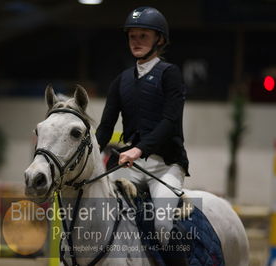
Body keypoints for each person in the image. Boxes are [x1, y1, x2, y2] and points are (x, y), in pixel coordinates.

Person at [95, 6, 189, 265]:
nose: (136, 42)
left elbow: (170, 122)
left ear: (159, 39)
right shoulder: (121, 80)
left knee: (162, 226)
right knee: (100, 215)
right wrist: (89, 152)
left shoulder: (170, 74)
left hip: (165, 166)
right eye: (132, 36)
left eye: (143, 36)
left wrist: (138, 150)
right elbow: (104, 129)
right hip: (131, 166)